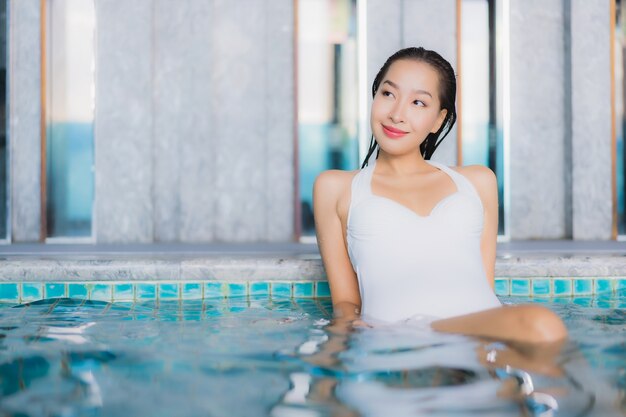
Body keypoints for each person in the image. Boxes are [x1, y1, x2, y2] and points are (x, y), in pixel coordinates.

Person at [313, 46, 567, 345]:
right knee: (541, 325)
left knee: (541, 326)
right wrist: (327, 375)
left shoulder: (477, 181)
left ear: (438, 120)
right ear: (374, 97)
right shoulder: (336, 187)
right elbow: (345, 303)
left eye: (418, 102)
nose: (397, 114)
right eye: (388, 94)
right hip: (397, 340)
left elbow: (483, 283)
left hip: (479, 343)